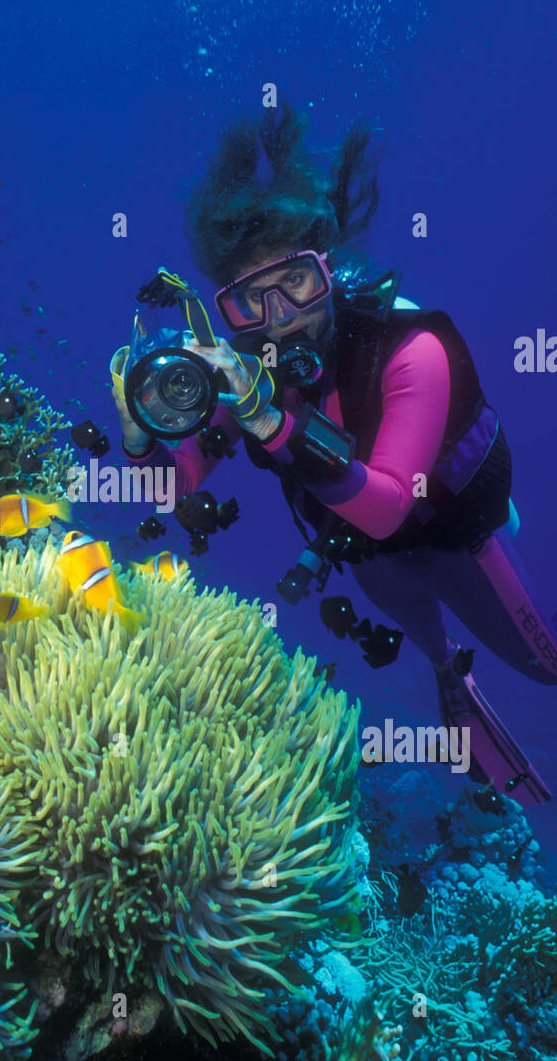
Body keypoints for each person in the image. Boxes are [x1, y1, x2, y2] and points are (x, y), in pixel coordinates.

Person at [112, 101, 556, 804]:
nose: (281, 315)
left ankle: (488, 609)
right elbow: (177, 485)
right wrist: (140, 434)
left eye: (297, 282)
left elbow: (385, 508)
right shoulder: (250, 378)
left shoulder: (413, 353)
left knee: (547, 667)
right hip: (370, 563)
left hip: (456, 540)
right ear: (228, 311)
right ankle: (451, 678)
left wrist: (273, 425)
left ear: (329, 269)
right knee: (431, 646)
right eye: (250, 301)